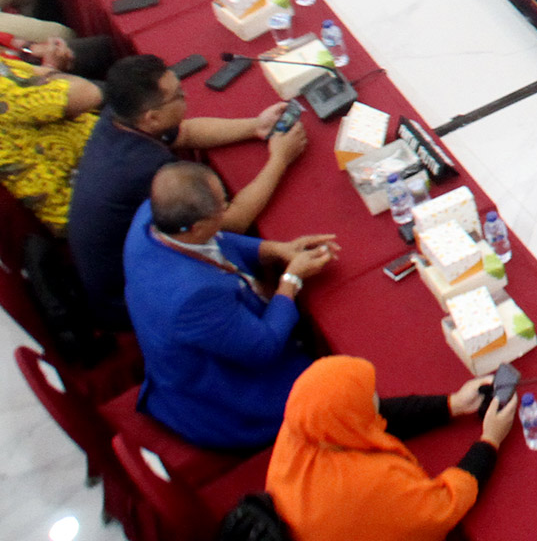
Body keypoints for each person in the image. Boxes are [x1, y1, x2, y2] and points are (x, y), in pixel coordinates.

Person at [69, 54, 308, 332]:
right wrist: (280, 159)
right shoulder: (149, 170)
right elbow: (230, 221)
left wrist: (256, 126)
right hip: (132, 300)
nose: (186, 96)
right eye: (178, 96)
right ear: (152, 117)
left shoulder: (121, 116)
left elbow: (185, 133)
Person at [124, 162, 338, 449]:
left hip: (207, 346)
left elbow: (216, 242)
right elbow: (264, 348)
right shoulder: (192, 297)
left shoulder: (153, 218)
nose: (227, 210)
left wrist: (275, 249)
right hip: (226, 400)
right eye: (222, 208)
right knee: (345, 386)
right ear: (196, 227)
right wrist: (291, 278)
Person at [266, 355, 517, 541]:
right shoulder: (371, 485)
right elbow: (440, 508)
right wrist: (490, 440)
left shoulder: (305, 422)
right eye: (370, 395)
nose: (377, 395)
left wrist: (453, 404)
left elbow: (374, 417)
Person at [0, 55, 101, 235]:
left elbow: (45, 72)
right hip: (90, 206)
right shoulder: (6, 101)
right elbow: (89, 93)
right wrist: (46, 80)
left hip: (99, 146)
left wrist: (46, 78)